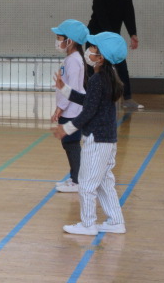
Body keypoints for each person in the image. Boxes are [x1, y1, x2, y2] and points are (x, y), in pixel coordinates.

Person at [51, 31, 127, 235]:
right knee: (104, 183)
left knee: (86, 184)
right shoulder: (107, 79)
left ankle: (88, 224)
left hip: (97, 140)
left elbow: (88, 112)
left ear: (101, 57)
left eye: (93, 48)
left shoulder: (97, 80)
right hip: (109, 140)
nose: (89, 51)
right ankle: (116, 221)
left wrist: (66, 129)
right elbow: (89, 102)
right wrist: (65, 89)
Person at [87, 0, 143, 110]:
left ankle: (127, 98)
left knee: (121, 66)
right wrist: (111, 38)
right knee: (92, 66)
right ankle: (89, 96)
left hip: (113, 37)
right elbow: (101, 17)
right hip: (96, 35)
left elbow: (129, 17)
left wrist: (133, 34)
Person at [51, 19, 88, 193]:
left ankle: (77, 180)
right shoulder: (72, 58)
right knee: (68, 143)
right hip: (70, 109)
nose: (57, 42)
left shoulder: (73, 60)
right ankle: (75, 177)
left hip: (72, 110)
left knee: (71, 143)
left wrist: (60, 107)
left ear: (70, 41)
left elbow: (71, 88)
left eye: (60, 38)